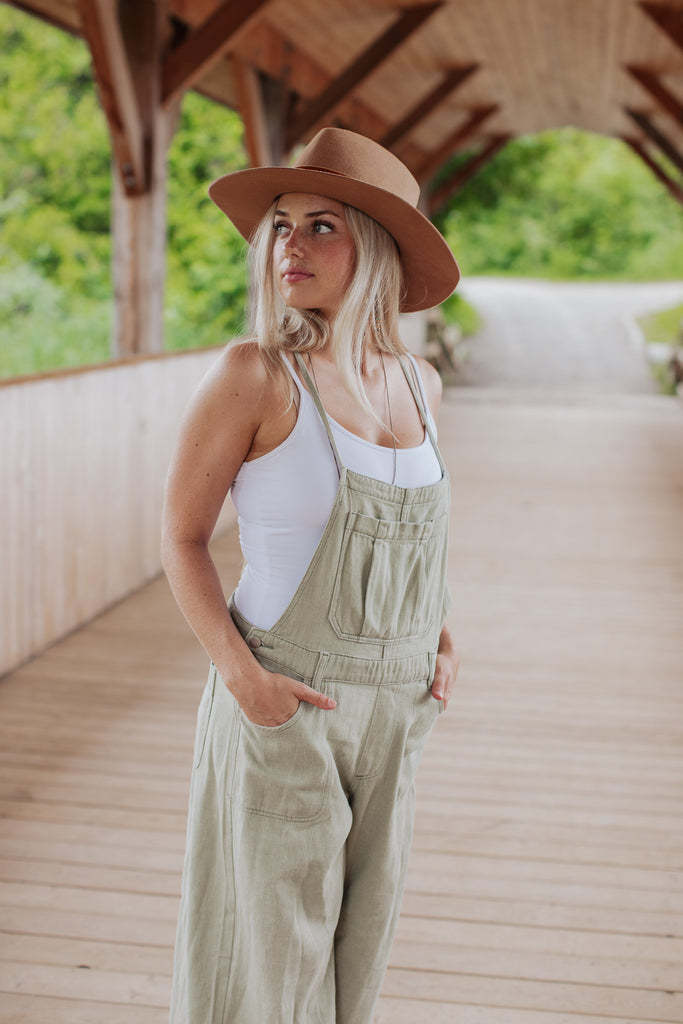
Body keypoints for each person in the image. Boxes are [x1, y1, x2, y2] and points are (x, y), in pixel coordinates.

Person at [162, 126, 461, 1024]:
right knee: (262, 971)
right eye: (282, 226)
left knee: (357, 958)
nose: (289, 246)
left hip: (397, 708)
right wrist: (242, 678)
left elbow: (418, 533)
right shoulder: (256, 375)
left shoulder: (420, 385)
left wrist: (440, 630)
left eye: (320, 225)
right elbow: (181, 538)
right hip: (284, 696)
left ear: (376, 247)